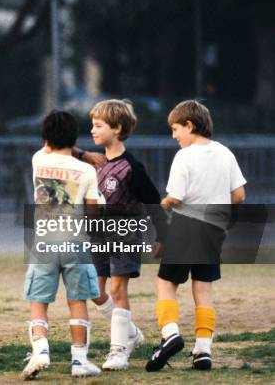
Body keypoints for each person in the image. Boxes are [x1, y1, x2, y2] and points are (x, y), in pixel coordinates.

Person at [146, 100, 246, 372]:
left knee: (166, 282)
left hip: (186, 226)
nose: (173, 136)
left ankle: (171, 334)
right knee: (203, 288)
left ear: (189, 125)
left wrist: (158, 205)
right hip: (214, 230)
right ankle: (203, 350)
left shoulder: (185, 156)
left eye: (176, 129)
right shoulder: (225, 153)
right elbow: (239, 195)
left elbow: (176, 197)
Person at [21, 110, 102, 380]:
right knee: (77, 301)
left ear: (45, 138)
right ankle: (79, 360)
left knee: (38, 302)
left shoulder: (38, 160)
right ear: (75, 137)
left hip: (44, 241)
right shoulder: (87, 170)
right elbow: (93, 214)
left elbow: (51, 148)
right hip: (75, 242)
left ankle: (41, 350)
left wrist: (80, 152)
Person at [89, 99, 167, 370]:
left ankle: (118, 351)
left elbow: (154, 202)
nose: (93, 130)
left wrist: (162, 236)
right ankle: (131, 333)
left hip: (126, 233)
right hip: (98, 235)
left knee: (117, 288)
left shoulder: (132, 167)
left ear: (117, 128)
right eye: (92, 125)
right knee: (94, 291)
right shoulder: (94, 163)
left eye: (98, 126)